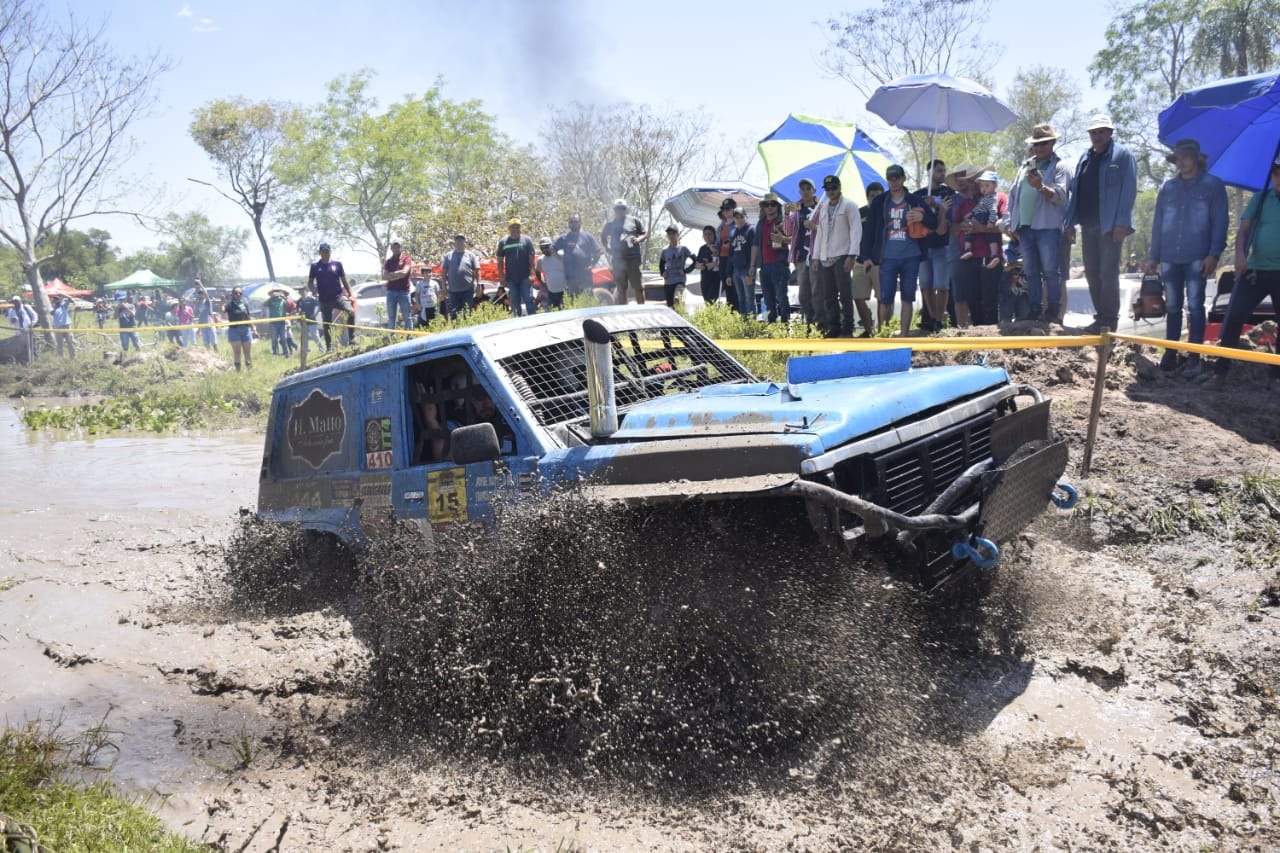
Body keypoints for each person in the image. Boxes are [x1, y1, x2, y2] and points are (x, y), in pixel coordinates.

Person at [1147, 138, 1229, 378]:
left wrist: (1214, 253)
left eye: (1185, 157)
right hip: (1170, 255)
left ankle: (1194, 357)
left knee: (1195, 305)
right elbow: (1158, 223)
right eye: (1177, 158)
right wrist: (1153, 256)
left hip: (1198, 255)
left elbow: (1220, 222)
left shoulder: (1212, 186)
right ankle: (1171, 352)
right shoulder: (1168, 188)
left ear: (1196, 159)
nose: (1181, 162)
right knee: (1172, 306)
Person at [1212, 154, 1280, 387]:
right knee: (1234, 316)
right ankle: (1220, 372)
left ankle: (1276, 377)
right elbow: (1243, 231)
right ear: (1271, 175)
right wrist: (1240, 255)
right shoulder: (1260, 198)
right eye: (1276, 173)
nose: (1279, 178)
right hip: (1255, 270)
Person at [1067, 114, 1138, 333]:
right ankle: (1100, 318)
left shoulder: (1122, 156)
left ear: (1110, 132)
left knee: (1108, 273)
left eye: (1101, 131)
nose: (1097, 136)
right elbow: (1075, 192)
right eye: (1093, 132)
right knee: (1092, 273)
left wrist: (1122, 222)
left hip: (1110, 226)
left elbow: (1129, 190)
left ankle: (1109, 321)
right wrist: (1069, 222)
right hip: (1087, 224)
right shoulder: (1084, 158)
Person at [1008, 124, 1073, 325]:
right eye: (1036, 144)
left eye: (1044, 143)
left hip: (1048, 227)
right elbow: (1013, 195)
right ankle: (1035, 309)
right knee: (1030, 271)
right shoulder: (1025, 165)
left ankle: (1052, 310)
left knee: (1051, 271)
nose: (1040, 148)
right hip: (1025, 228)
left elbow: (1061, 196)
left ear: (1052, 143)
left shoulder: (1061, 167)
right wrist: (1010, 222)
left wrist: (1040, 187)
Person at [866, 164, 934, 336]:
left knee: (907, 297)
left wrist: (922, 217)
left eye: (897, 178)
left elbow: (933, 222)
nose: (894, 182)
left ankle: (903, 335)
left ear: (903, 179)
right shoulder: (880, 201)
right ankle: (883, 335)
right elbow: (869, 229)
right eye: (890, 178)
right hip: (887, 256)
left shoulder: (915, 200)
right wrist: (866, 255)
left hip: (911, 255)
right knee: (885, 298)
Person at [811, 174, 868, 337]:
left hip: (843, 254)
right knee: (828, 295)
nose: (831, 191)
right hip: (825, 256)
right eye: (827, 189)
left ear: (839, 187)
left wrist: (852, 255)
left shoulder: (850, 205)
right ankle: (834, 326)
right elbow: (819, 233)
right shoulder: (822, 208)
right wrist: (815, 256)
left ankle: (848, 327)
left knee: (845, 294)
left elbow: (856, 230)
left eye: (833, 188)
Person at [918, 159, 956, 333]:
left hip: (942, 245)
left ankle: (940, 320)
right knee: (926, 285)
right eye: (939, 170)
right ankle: (932, 318)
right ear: (930, 172)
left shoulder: (948, 192)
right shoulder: (918, 194)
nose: (942, 173)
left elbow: (949, 218)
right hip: (923, 246)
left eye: (944, 170)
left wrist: (937, 205)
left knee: (941, 285)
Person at [749, 193, 791, 322]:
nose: (770, 207)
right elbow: (755, 245)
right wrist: (752, 266)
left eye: (772, 204)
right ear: (763, 208)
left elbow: (793, 239)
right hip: (764, 266)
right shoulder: (761, 224)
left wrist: (782, 238)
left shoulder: (784, 221)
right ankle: (772, 325)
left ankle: (785, 325)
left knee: (782, 297)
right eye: (766, 205)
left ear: (777, 207)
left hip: (780, 264)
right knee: (768, 299)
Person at [306, 242, 353, 350]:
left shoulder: (337, 264)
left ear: (330, 251)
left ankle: (352, 338)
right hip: (324, 299)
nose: (326, 253)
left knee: (350, 312)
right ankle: (329, 347)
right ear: (320, 253)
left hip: (338, 297)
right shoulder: (315, 267)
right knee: (327, 324)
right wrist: (313, 290)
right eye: (323, 251)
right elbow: (310, 283)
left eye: (327, 251)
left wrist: (351, 294)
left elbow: (345, 281)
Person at [786, 178, 820, 328]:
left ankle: (820, 324)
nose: (805, 192)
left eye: (808, 189)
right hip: (800, 256)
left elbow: (827, 230)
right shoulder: (796, 207)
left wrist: (814, 227)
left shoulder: (821, 206)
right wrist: (786, 214)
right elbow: (787, 231)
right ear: (799, 191)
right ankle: (810, 323)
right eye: (803, 189)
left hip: (816, 255)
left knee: (817, 291)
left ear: (814, 191)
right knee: (804, 294)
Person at [600, 200, 648, 304]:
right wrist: (607, 248)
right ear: (614, 210)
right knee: (621, 289)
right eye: (618, 208)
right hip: (618, 259)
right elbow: (603, 237)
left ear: (625, 209)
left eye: (622, 208)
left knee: (638, 287)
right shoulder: (610, 225)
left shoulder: (634, 221)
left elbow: (644, 233)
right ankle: (623, 311)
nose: (620, 210)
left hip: (633, 259)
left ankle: (642, 309)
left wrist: (638, 239)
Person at [961, 172, 1004, 269]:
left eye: (987, 186)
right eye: (981, 186)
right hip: (979, 216)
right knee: (970, 233)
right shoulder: (983, 199)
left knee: (990, 237)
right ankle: (967, 250)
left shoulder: (993, 198)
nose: (983, 188)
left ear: (995, 185)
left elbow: (993, 211)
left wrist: (991, 222)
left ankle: (994, 255)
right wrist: (971, 214)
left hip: (985, 218)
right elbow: (978, 208)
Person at [553, 214, 602, 298]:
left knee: (588, 298)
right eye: (571, 222)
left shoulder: (587, 236)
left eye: (576, 222)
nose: (573, 224)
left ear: (580, 223)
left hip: (585, 275)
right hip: (570, 276)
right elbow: (552, 249)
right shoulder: (564, 238)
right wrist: (560, 259)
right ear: (568, 224)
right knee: (573, 299)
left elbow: (598, 251)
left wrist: (593, 264)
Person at [496, 218, 537, 317]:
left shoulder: (527, 240)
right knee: (515, 301)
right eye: (513, 227)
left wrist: (532, 274)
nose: (515, 229)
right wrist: (501, 276)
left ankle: (534, 320)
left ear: (520, 227)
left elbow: (532, 259)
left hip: (525, 277)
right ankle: (517, 323)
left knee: (528, 299)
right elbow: (500, 261)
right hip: (511, 278)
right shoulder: (503, 242)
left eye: (517, 226)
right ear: (509, 228)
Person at [441, 234, 481, 319]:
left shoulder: (471, 255)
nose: (459, 242)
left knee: (467, 313)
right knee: (455, 315)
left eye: (461, 240)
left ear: (465, 242)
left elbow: (477, 272)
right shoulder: (448, 256)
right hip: (453, 291)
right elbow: (443, 273)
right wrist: (443, 287)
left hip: (468, 291)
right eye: (457, 240)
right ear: (455, 242)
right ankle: (457, 331)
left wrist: (479, 285)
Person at [658, 225, 696, 309]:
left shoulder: (684, 249)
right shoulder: (665, 250)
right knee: (670, 306)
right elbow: (661, 265)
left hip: (680, 280)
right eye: (669, 234)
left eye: (673, 233)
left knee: (677, 299)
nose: (671, 236)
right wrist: (663, 272)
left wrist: (686, 270)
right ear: (667, 236)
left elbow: (695, 260)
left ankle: (680, 316)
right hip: (668, 281)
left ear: (677, 234)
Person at [728, 208, 756, 316]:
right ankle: (744, 324)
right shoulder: (733, 232)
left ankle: (752, 325)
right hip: (736, 270)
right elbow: (731, 254)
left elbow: (754, 250)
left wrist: (751, 268)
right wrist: (729, 274)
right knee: (741, 299)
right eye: (736, 217)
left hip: (747, 270)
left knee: (750, 299)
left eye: (741, 217)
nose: (739, 220)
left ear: (746, 217)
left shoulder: (751, 230)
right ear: (734, 219)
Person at [382, 240, 414, 331]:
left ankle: (409, 336)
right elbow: (384, 276)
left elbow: (404, 272)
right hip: (391, 292)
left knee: (407, 316)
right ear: (391, 249)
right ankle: (391, 337)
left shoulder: (406, 259)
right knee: (391, 317)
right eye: (394, 247)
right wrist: (398, 275)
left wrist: (392, 274)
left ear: (401, 248)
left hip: (403, 292)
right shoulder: (388, 261)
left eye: (398, 247)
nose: (396, 249)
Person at [223, 286, 255, 370]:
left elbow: (248, 317)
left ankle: (249, 369)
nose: (238, 294)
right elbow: (222, 310)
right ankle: (238, 371)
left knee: (247, 352)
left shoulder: (244, 304)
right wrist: (221, 302)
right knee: (237, 352)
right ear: (233, 294)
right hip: (234, 330)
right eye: (236, 293)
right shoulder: (229, 305)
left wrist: (254, 329)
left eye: (240, 293)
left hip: (245, 329)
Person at [534, 237, 567, 310]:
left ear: (551, 246)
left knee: (566, 310)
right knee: (554, 312)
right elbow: (537, 271)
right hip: (551, 291)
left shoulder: (561, 255)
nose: (544, 249)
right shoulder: (541, 259)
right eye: (542, 248)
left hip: (564, 290)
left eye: (546, 247)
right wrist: (542, 283)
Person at [695, 225, 721, 304]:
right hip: (705, 278)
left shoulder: (719, 246)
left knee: (710, 301)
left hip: (716, 279)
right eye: (705, 234)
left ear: (714, 235)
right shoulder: (702, 248)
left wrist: (715, 264)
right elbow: (697, 263)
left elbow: (724, 261)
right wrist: (697, 266)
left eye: (710, 234)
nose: (708, 236)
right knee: (707, 302)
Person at [7, 295, 38, 361]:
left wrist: (32, 324)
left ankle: (36, 360)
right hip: (19, 332)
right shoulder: (11, 311)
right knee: (23, 347)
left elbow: (35, 316)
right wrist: (13, 320)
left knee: (32, 346)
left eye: (16, 301)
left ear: (20, 301)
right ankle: (26, 360)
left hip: (28, 330)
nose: (15, 303)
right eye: (14, 302)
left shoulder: (26, 307)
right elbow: (9, 321)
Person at [193, 282, 218, 350]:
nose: (201, 295)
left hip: (210, 325)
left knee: (214, 344)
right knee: (206, 344)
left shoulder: (207, 302)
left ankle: (218, 358)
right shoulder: (199, 304)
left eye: (202, 293)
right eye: (200, 294)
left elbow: (206, 293)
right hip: (203, 326)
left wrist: (200, 284)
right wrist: (199, 329)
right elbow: (200, 317)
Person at [265, 288, 289, 355]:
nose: (277, 294)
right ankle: (275, 353)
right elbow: (264, 304)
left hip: (282, 323)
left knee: (283, 338)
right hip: (273, 323)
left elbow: (288, 305)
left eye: (278, 292)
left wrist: (284, 297)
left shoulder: (282, 300)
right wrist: (271, 297)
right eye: (275, 292)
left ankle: (286, 353)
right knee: (274, 339)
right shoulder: (271, 300)